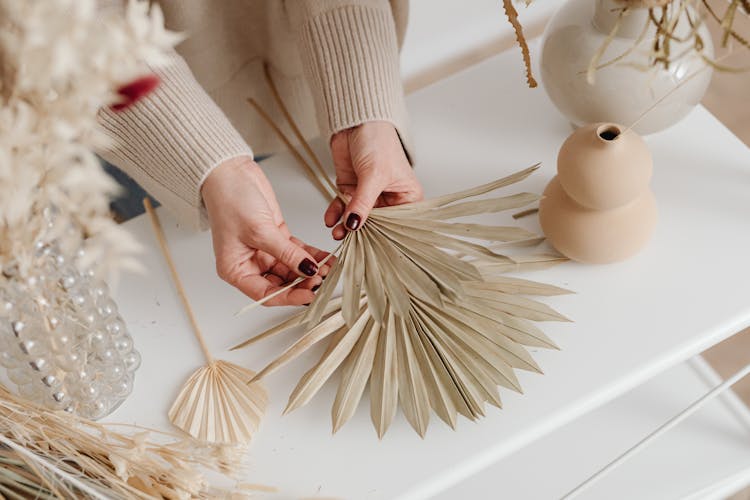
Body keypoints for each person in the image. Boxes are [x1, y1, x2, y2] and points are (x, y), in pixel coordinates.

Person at [99, 0, 422, 307]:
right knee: (156, 246)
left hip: (319, 81)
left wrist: (364, 111)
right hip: (148, 131)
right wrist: (209, 167)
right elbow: (80, 24)